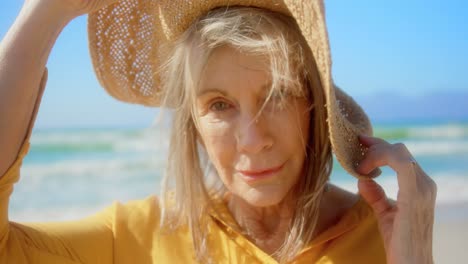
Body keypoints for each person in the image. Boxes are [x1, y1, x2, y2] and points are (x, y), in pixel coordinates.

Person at [0, 0, 437, 263]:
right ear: (192, 121)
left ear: (313, 102)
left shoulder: (386, 237)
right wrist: (45, 14)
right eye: (220, 105)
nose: (252, 139)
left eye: (277, 94)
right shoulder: (138, 238)